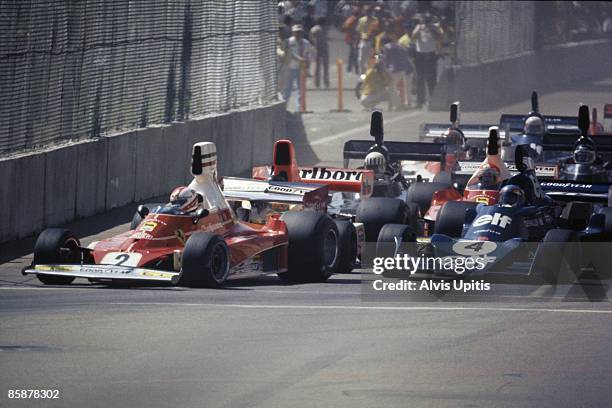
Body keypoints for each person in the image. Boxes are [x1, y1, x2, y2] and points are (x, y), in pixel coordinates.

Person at [411, 11, 443, 108]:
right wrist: (420, 28)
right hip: (420, 54)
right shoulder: (419, 27)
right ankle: (420, 101)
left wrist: (432, 28)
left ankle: (433, 100)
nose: (426, 22)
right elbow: (413, 37)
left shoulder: (435, 27)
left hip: (431, 54)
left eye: (427, 20)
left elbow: (440, 37)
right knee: (420, 78)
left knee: (431, 78)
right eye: (425, 20)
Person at [282, 24, 312, 110]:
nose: (298, 34)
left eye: (299, 32)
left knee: (301, 88)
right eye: (296, 32)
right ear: (293, 32)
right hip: (290, 68)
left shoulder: (306, 43)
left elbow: (309, 54)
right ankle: (284, 107)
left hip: (301, 68)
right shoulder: (289, 42)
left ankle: (299, 107)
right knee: (288, 88)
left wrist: (307, 66)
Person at [381, 37, 412, 110]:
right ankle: (393, 105)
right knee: (401, 87)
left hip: (396, 69)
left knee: (391, 87)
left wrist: (385, 69)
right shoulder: (399, 46)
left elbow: (386, 60)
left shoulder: (387, 47)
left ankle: (398, 105)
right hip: (404, 68)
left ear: (383, 43)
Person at [310, 17, 330, 88]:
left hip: (316, 48)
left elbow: (311, 38)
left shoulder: (313, 29)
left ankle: (317, 82)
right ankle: (326, 82)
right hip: (324, 47)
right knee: (325, 66)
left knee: (317, 66)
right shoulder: (324, 29)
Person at [356, 6, 375, 75]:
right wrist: (357, 42)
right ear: (365, 12)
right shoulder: (361, 20)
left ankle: (368, 77)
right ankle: (362, 77)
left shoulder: (375, 21)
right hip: (363, 41)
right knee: (360, 60)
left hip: (371, 42)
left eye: (370, 11)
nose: (368, 13)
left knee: (370, 61)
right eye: (367, 11)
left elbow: (376, 32)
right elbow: (358, 32)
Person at [341, 7, 360, 74]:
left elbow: (343, 28)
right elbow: (351, 29)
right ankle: (356, 69)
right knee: (355, 54)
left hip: (349, 38)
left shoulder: (349, 19)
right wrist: (354, 36)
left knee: (352, 54)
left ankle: (349, 68)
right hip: (353, 39)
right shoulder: (354, 20)